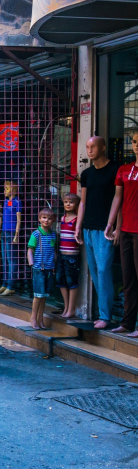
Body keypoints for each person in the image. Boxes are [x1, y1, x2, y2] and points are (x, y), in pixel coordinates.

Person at [77, 136, 119, 329]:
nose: (90, 150)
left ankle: (106, 315)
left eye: (93, 146)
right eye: (87, 146)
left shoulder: (115, 170)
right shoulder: (86, 174)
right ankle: (103, 313)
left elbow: (119, 201)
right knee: (94, 271)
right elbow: (83, 202)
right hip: (88, 227)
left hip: (105, 229)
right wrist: (78, 226)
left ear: (103, 146)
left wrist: (116, 225)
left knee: (103, 270)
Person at [106, 133, 138, 338]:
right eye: (134, 142)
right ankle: (127, 323)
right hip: (126, 229)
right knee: (128, 279)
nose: (137, 146)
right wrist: (112, 224)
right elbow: (118, 198)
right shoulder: (124, 170)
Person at [28, 207, 58, 330]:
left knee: (44, 295)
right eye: (44, 218)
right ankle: (33, 317)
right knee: (38, 295)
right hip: (38, 268)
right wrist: (32, 263)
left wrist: (54, 264)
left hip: (49, 268)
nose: (46, 220)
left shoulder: (53, 235)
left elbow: (53, 251)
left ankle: (40, 319)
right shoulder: (36, 234)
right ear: (40, 219)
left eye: (49, 218)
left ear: (53, 221)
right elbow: (30, 250)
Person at [57, 193, 81, 319]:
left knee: (71, 282)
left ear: (76, 204)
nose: (68, 204)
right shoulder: (62, 219)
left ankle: (71, 309)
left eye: (71, 202)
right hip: (62, 254)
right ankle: (66, 307)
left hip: (72, 256)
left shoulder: (76, 219)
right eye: (66, 202)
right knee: (60, 281)